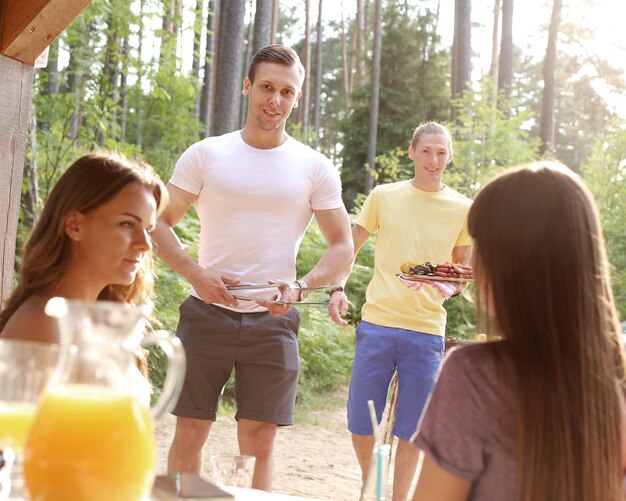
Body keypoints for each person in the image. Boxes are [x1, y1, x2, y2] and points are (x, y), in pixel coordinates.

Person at [152, 44, 353, 491]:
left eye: (287, 91)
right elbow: (158, 223)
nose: (275, 100)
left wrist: (302, 285)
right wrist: (194, 273)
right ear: (247, 86)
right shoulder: (206, 154)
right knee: (189, 432)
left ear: (297, 98)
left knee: (259, 442)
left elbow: (342, 244)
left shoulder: (314, 166)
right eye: (266, 87)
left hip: (274, 323)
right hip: (204, 315)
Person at [411, 161, 626, 501]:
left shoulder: (476, 376)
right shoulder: (617, 377)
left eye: (483, 246)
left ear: (512, 260)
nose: (475, 264)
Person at [328, 121, 473, 500]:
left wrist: (443, 283)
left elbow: (459, 274)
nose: (433, 159)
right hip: (377, 323)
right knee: (362, 420)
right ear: (412, 152)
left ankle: (398, 497)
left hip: (427, 330)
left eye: (441, 153)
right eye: (426, 151)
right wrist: (337, 286)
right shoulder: (384, 195)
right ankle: (371, 483)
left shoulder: (463, 208)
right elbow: (349, 247)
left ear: (450, 157)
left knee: (412, 427)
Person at [0, 152, 167, 404]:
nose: (145, 244)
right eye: (127, 225)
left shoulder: (98, 319)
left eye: (149, 229)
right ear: (75, 226)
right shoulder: (42, 325)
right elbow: (20, 440)